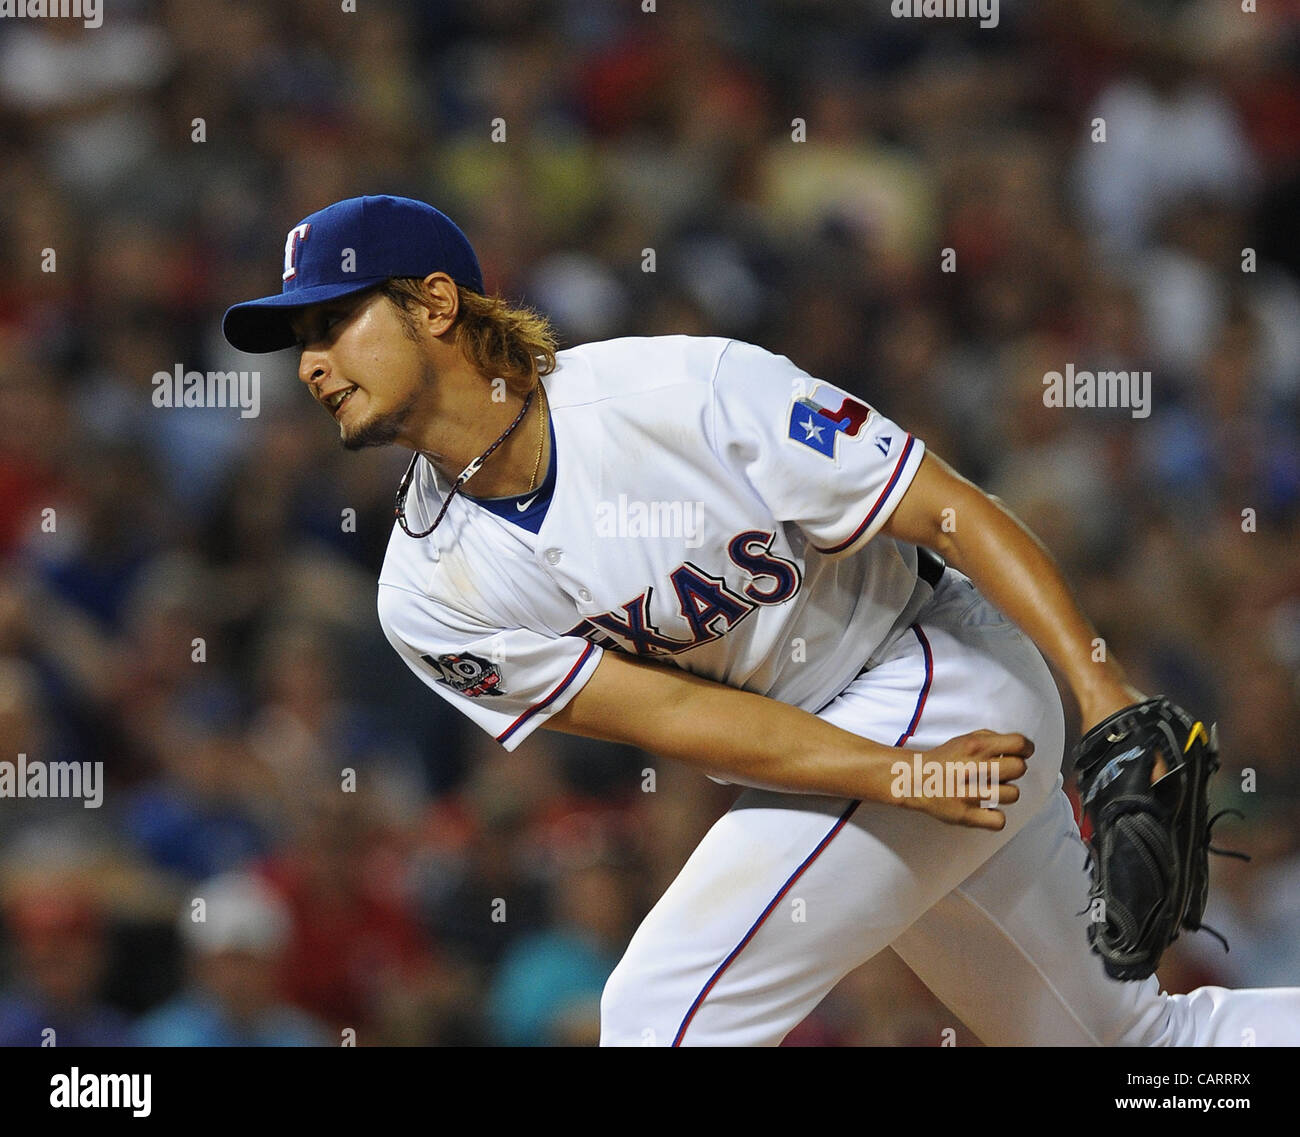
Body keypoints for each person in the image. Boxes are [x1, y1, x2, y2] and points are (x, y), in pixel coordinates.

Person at [223, 195, 1300, 1046]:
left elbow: (949, 509)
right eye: (295, 340)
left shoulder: (678, 391)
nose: (310, 362)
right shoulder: (423, 589)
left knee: (658, 1018)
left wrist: (1101, 689)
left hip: (931, 659)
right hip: (841, 750)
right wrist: (889, 776)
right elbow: (676, 721)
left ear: (437, 304)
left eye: (334, 320)